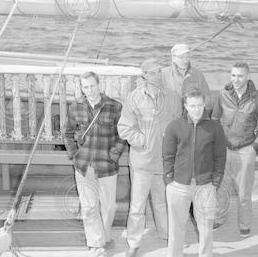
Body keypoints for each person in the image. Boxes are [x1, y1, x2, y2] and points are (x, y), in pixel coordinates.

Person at [118, 58, 181, 257]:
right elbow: (124, 128)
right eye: (153, 72)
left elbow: (179, 125)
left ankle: (167, 236)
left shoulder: (172, 96)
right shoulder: (134, 97)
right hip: (142, 162)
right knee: (137, 206)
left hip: (163, 161)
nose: (157, 75)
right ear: (144, 74)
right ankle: (134, 242)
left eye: (159, 71)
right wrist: (143, 141)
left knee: (162, 202)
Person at [63, 71, 127, 257]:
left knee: (109, 207)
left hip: (107, 166)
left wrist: (113, 156)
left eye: (92, 86)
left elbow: (122, 135)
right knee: (89, 206)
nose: (89, 90)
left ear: (99, 84)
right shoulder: (75, 108)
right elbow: (67, 133)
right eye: (85, 87)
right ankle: (96, 243)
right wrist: (74, 154)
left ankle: (105, 237)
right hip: (83, 166)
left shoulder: (115, 107)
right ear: (81, 88)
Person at [163, 88, 227, 257]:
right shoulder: (174, 127)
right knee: (176, 228)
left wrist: (216, 181)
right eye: (192, 105)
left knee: (206, 228)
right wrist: (170, 180)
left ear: (204, 104)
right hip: (178, 185)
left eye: (199, 105)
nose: (196, 109)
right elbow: (168, 155)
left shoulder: (215, 128)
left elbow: (220, 156)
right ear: (185, 106)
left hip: (205, 185)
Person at [212, 62, 258, 237]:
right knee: (221, 187)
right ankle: (220, 218)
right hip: (224, 149)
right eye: (233, 75)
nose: (236, 80)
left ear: (248, 76)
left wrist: (255, 147)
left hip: (246, 150)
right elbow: (214, 119)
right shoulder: (222, 95)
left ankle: (244, 224)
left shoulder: (257, 98)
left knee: (244, 193)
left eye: (240, 76)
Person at [162, 43, 212, 109]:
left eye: (187, 57)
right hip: (171, 113)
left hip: (192, 114)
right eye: (181, 57)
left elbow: (207, 96)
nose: (185, 61)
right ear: (173, 58)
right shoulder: (163, 73)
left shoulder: (197, 74)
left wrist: (198, 109)